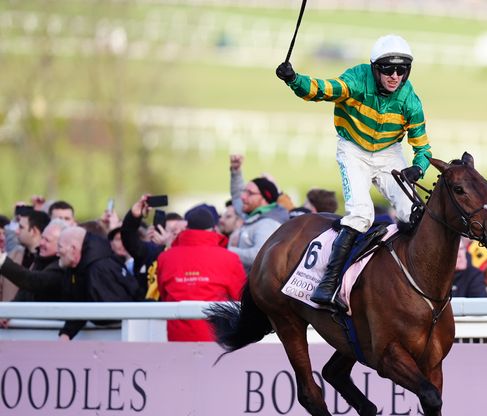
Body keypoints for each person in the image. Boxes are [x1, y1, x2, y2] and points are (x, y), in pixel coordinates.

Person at [276, 34, 433, 309]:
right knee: (361, 213)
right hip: (353, 150)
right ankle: (329, 283)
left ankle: (411, 280)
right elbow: (323, 90)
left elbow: (423, 148)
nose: (395, 76)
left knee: (413, 212)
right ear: (374, 68)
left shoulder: (411, 101)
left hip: (389, 154)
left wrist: (417, 169)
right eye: (387, 69)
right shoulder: (357, 79)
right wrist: (294, 80)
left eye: (401, 70)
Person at [156, 205, 246, 341]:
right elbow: (240, 298)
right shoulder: (230, 258)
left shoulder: (165, 258)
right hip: (218, 339)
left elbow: (163, 294)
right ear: (214, 229)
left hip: (176, 338)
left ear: (187, 229)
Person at [56, 226, 142, 340]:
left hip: (120, 337)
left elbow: (114, 311)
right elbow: (83, 303)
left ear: (73, 249)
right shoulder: (80, 267)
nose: (57, 253)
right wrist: (67, 333)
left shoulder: (98, 270)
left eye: (60, 247)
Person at [228, 155, 289, 272]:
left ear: (265, 199)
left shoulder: (268, 223)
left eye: (249, 193)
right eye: (244, 191)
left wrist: (226, 251)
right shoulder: (254, 213)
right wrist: (236, 172)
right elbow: (236, 195)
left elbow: (259, 255)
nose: (243, 196)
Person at [0, 219, 68, 304]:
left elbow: (32, 281)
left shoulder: (62, 267)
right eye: (42, 237)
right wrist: (8, 313)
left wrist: (2, 260)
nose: (41, 243)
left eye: (47, 240)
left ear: (61, 244)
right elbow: (24, 294)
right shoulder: (40, 261)